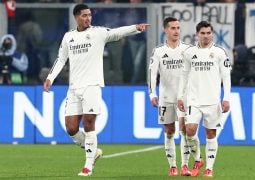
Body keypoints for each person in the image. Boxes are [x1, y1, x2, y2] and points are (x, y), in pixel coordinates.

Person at [43, 4, 149, 176]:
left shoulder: (98, 33)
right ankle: (94, 151)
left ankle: (88, 165)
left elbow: (116, 33)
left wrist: (135, 28)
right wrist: (50, 78)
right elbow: (61, 59)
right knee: (71, 128)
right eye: (84, 15)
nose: (88, 18)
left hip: (92, 85)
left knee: (89, 122)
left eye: (90, 15)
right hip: (74, 88)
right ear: (76, 17)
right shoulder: (68, 37)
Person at [177, 21, 231, 177]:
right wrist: (181, 96)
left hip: (213, 101)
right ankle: (198, 159)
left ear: (212, 34)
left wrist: (226, 98)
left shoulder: (220, 52)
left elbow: (226, 78)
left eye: (209, 33)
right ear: (197, 34)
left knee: (210, 134)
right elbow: (184, 75)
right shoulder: (189, 53)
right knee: (190, 131)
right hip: (193, 100)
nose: (206, 36)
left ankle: (209, 168)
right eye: (203, 33)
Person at [148, 17, 200, 177]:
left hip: (184, 98)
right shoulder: (158, 51)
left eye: (178, 28)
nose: (176, 31)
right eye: (173, 28)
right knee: (169, 130)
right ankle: (172, 166)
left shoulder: (188, 50)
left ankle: (185, 166)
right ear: (166, 30)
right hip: (165, 97)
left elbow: (197, 72)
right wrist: (152, 93)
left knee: (184, 130)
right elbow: (151, 74)